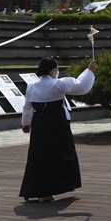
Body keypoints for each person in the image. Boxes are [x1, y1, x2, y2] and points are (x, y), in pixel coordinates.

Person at [19, 57, 97, 202]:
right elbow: (80, 86)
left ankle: (42, 191)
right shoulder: (58, 84)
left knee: (40, 157)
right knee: (63, 153)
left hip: (40, 124)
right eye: (56, 70)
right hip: (57, 124)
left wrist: (26, 123)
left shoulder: (31, 86)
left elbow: (28, 106)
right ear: (52, 70)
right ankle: (64, 184)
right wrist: (89, 71)